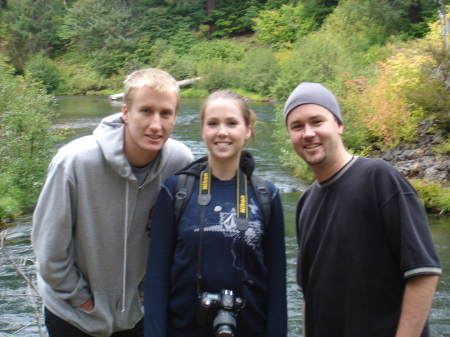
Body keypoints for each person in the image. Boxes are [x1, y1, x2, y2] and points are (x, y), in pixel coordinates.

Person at [32, 68, 194, 337]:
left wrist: (147, 293)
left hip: (138, 315)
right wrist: (80, 298)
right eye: (146, 111)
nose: (156, 124)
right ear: (126, 112)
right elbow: (49, 250)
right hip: (74, 316)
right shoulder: (74, 162)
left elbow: (183, 241)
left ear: (175, 117)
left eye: (165, 113)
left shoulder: (180, 163)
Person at [284, 82, 442, 337]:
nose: (308, 133)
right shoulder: (306, 202)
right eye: (297, 126)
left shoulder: (379, 178)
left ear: (338, 125)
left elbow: (423, 273)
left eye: (317, 121)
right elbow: (308, 296)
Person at [144, 91, 287, 337]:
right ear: (202, 130)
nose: (222, 132)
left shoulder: (267, 196)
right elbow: (156, 281)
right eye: (213, 123)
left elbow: (276, 289)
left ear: (248, 130)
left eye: (232, 123)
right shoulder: (175, 192)